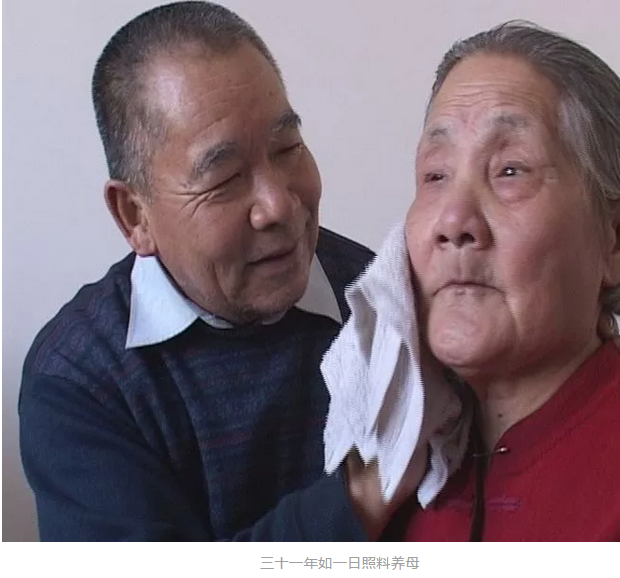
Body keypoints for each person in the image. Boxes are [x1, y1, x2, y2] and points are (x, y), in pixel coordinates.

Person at [18, 1, 411, 541]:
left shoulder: (381, 298)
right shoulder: (80, 381)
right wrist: (358, 501)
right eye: (224, 179)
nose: (279, 205)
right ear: (134, 216)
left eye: (287, 148)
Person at [389, 22, 620, 541]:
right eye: (435, 175)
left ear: (617, 235)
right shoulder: (388, 458)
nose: (453, 221)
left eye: (510, 170)